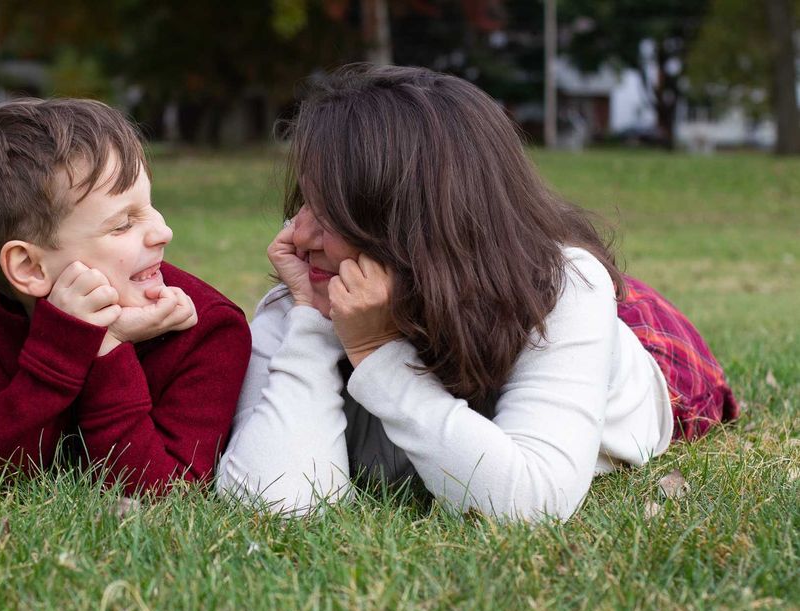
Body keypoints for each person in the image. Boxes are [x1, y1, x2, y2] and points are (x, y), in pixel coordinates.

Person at [216, 65, 738, 521]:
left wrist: (375, 355)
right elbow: (275, 503)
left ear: (409, 223)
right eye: (305, 200)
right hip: (466, 283)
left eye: (330, 212)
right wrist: (310, 321)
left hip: (640, 353)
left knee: (611, 297)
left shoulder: (560, 292)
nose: (297, 235)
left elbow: (529, 506)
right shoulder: (310, 291)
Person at [0, 98, 251, 495]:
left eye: (150, 207)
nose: (162, 232)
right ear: (30, 268)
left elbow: (168, 495)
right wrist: (64, 348)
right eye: (122, 225)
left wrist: (107, 350)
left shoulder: (208, 329)